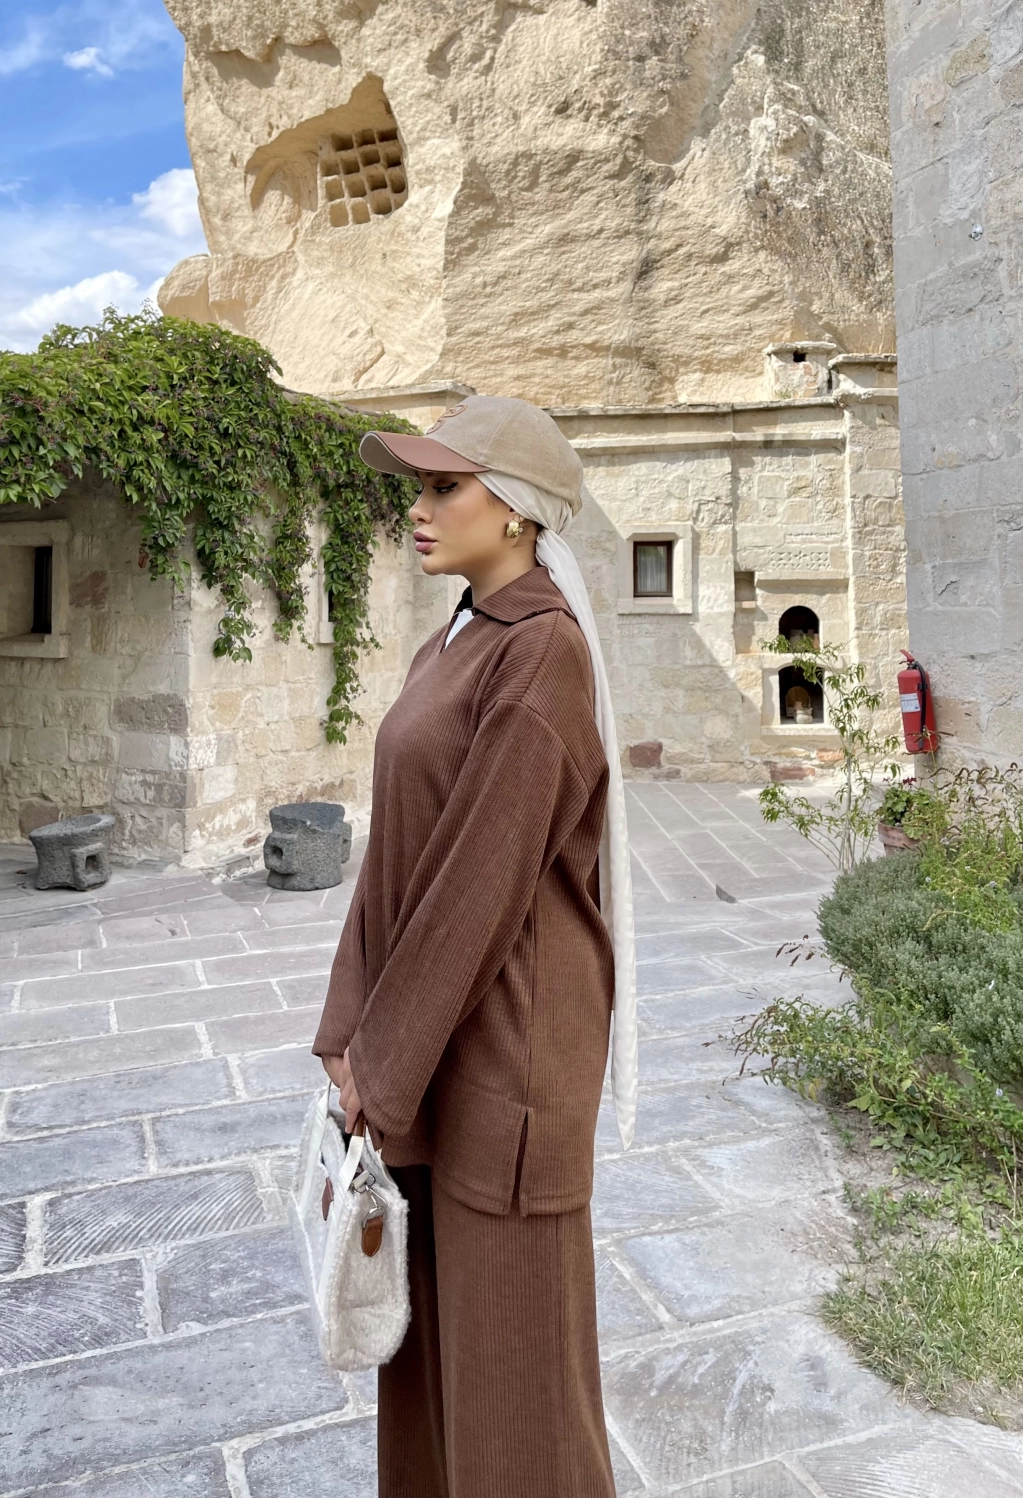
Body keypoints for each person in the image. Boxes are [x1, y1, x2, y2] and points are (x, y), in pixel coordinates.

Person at [313, 394, 637, 1498]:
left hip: (508, 1050)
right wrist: (349, 1029)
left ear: (516, 511)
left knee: (515, 1377)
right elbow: (396, 857)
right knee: (432, 1360)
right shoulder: (456, 635)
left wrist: (381, 1066)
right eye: (419, 485)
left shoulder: (541, 653)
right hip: (435, 1041)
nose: (419, 507)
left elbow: (477, 887)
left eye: (445, 485)